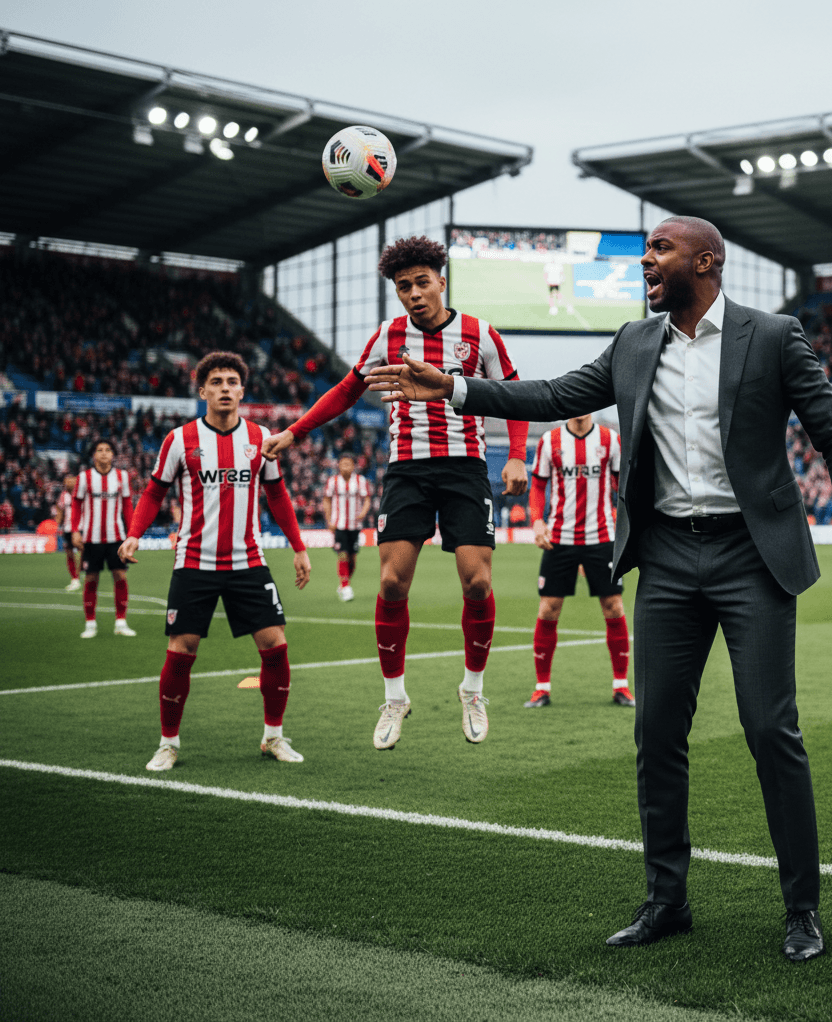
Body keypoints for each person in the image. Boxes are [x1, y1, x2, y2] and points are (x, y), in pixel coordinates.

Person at [368, 216, 832, 962]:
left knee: (772, 731)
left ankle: (802, 909)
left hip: (751, 557)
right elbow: (550, 394)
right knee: (656, 734)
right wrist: (450, 386)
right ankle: (666, 901)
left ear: (705, 261)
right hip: (666, 558)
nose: (647, 259)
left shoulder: (771, 336)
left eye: (660, 249)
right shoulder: (635, 342)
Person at [263, 235, 529, 750]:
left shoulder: (480, 336)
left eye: (421, 282)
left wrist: (516, 453)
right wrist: (294, 431)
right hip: (406, 470)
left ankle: (472, 690)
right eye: (403, 286)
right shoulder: (388, 336)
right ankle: (394, 697)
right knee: (390, 584)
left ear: (441, 282)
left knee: (476, 583)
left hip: (465, 467)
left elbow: (514, 396)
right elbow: (347, 389)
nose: (413, 293)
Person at [118, 351, 312, 772]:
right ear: (202, 390)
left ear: (242, 391)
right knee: (181, 650)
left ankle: (273, 737)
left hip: (248, 562)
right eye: (217, 382)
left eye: (232, 382)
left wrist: (298, 547)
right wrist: (134, 533)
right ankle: (168, 744)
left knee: (275, 646)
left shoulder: (261, 438)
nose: (225, 388)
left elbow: (277, 495)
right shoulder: (180, 440)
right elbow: (154, 492)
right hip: (194, 563)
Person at [524, 414, 634, 709]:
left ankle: (621, 686)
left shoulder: (610, 440)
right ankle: (541, 688)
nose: (581, 409)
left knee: (614, 606)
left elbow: (622, 485)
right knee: (548, 609)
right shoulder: (550, 441)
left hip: (601, 536)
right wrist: (536, 522)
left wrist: (625, 522)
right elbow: (537, 486)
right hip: (560, 537)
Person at [72, 439, 135, 638]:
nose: (104, 453)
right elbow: (76, 504)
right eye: (100, 450)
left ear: (113, 455)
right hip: (91, 538)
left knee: (120, 577)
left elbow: (127, 505)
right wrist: (75, 530)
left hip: (116, 537)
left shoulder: (122, 476)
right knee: (91, 579)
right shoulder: (84, 477)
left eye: (108, 450)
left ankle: (121, 622)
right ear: (93, 455)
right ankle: (90, 624)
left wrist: (132, 533)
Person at [322, 449, 371, 601]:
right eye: (343, 464)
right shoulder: (333, 481)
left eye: (348, 464)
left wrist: (363, 512)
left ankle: (344, 582)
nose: (345, 466)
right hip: (339, 524)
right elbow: (327, 500)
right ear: (338, 465)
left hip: (355, 525)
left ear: (353, 466)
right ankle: (345, 586)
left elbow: (367, 499)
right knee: (342, 554)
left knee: (353, 559)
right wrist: (329, 520)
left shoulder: (360, 481)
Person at [56, 474, 81, 592]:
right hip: (68, 528)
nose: (68, 484)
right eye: (66, 482)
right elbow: (60, 511)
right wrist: (56, 524)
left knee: (84, 551)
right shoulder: (63, 496)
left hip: (82, 527)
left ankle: (83, 571)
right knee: (70, 553)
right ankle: (75, 579)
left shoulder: (83, 494)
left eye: (71, 482)